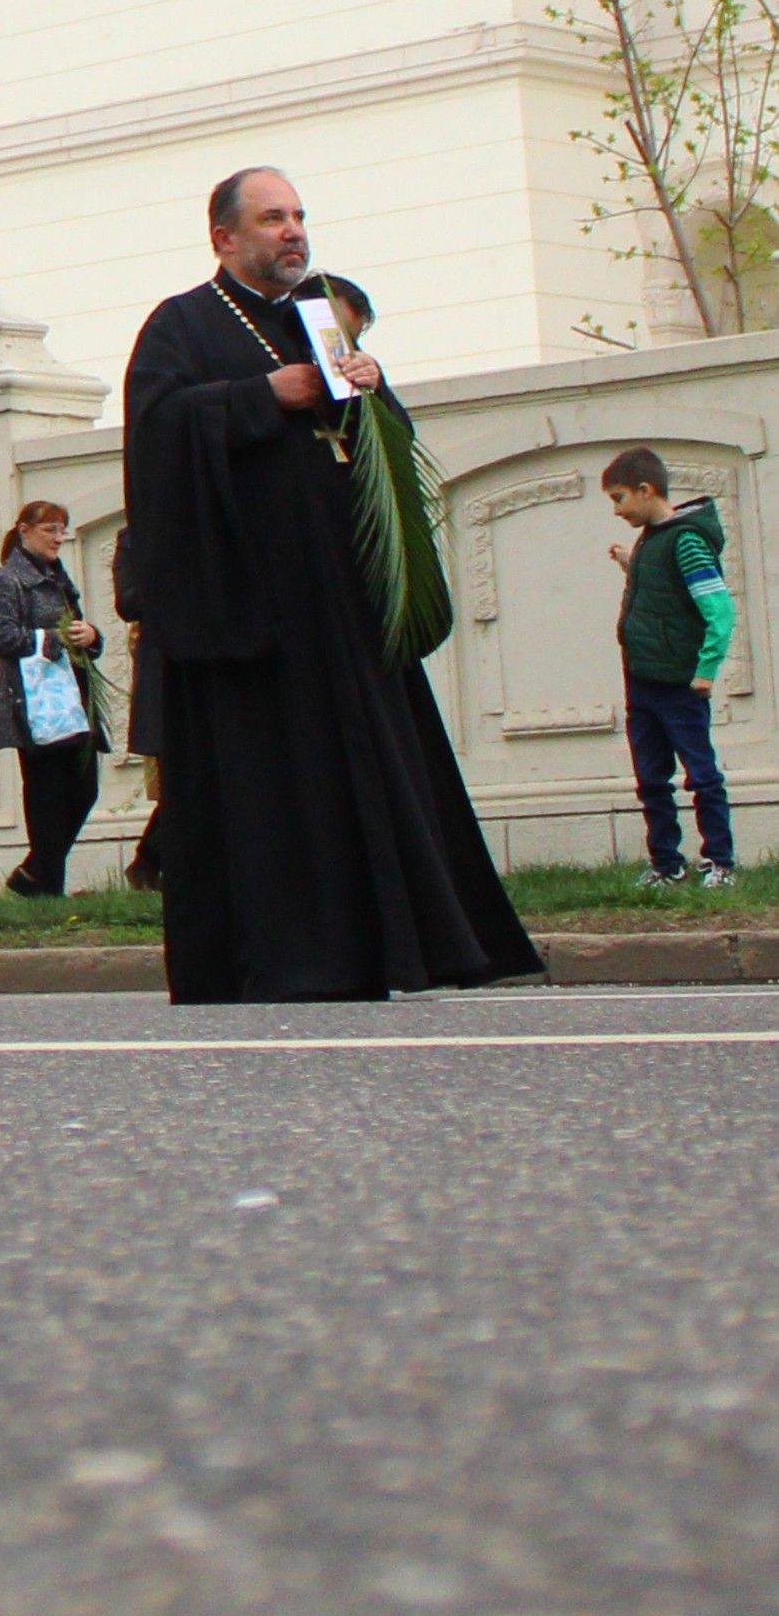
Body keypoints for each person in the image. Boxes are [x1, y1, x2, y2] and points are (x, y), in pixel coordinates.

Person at [121, 167, 537, 1001]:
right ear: (225, 237)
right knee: (274, 790)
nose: (293, 232)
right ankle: (288, 957)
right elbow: (157, 437)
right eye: (273, 218)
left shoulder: (318, 320)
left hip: (340, 603)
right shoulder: (182, 324)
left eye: (300, 216)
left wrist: (375, 393)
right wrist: (257, 396)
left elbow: (371, 449)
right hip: (254, 615)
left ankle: (412, 946)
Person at [602, 445, 738, 890]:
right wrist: (630, 565)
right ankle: (666, 863)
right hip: (641, 682)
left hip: (680, 682)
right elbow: (665, 597)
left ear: (646, 489)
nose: (617, 510)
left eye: (619, 498)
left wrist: (706, 668)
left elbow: (717, 607)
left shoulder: (687, 540)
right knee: (651, 779)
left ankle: (719, 860)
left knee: (701, 774)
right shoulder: (652, 541)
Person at [0, 500, 105, 897]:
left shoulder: (58, 577)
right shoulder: (6, 580)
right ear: (25, 531)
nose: (59, 538)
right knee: (47, 795)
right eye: (50, 529)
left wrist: (92, 636)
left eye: (62, 529)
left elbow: (77, 631)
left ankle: (33, 874)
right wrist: (54, 639)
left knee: (85, 790)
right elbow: (0, 638)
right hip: (33, 704)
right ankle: (48, 886)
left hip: (73, 698)